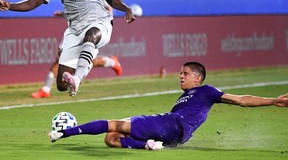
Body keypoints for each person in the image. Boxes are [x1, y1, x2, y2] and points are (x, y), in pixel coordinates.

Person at [48, 61, 288, 150]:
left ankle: (64, 132)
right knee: (111, 138)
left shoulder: (207, 91)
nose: (180, 77)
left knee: (114, 123)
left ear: (198, 78)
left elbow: (241, 100)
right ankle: (149, 145)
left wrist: (273, 100)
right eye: (180, 73)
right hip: (174, 136)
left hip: (171, 124)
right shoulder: (185, 98)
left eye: (185, 74)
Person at [0, 0, 135, 97]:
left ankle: (77, 79)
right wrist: (10, 5)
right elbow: (33, 2)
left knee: (91, 35)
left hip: (101, 22)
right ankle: (78, 76)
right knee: (62, 86)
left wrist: (126, 9)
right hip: (75, 30)